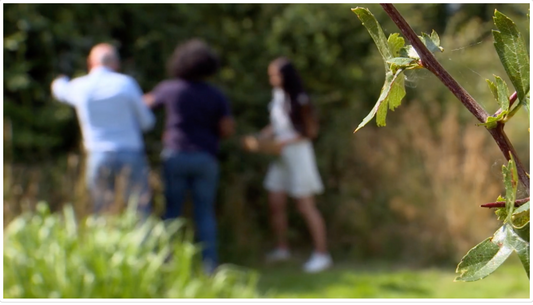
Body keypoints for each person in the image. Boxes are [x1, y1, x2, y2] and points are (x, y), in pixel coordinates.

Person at [143, 39, 235, 274]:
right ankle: (209, 267)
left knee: (172, 211)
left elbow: (143, 105)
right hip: (205, 158)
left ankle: (166, 263)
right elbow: (227, 129)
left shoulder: (169, 88)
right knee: (204, 212)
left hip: (175, 156)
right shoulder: (215, 95)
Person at [51, 43, 155, 215]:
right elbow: (147, 122)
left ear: (90, 63)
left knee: (99, 209)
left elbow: (60, 90)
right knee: (138, 209)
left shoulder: (81, 87)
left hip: (99, 155)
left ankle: (102, 242)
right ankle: (140, 242)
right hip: (131, 153)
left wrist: (59, 80)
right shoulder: (126, 84)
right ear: (116, 63)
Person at [258, 57, 332, 273]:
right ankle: (282, 249)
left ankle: (322, 254)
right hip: (281, 156)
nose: (272, 79)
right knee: (275, 200)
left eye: (275, 74)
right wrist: (264, 136)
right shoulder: (278, 96)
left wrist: (284, 141)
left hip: (298, 156)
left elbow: (309, 132)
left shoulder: (300, 99)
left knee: (305, 206)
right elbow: (278, 124)